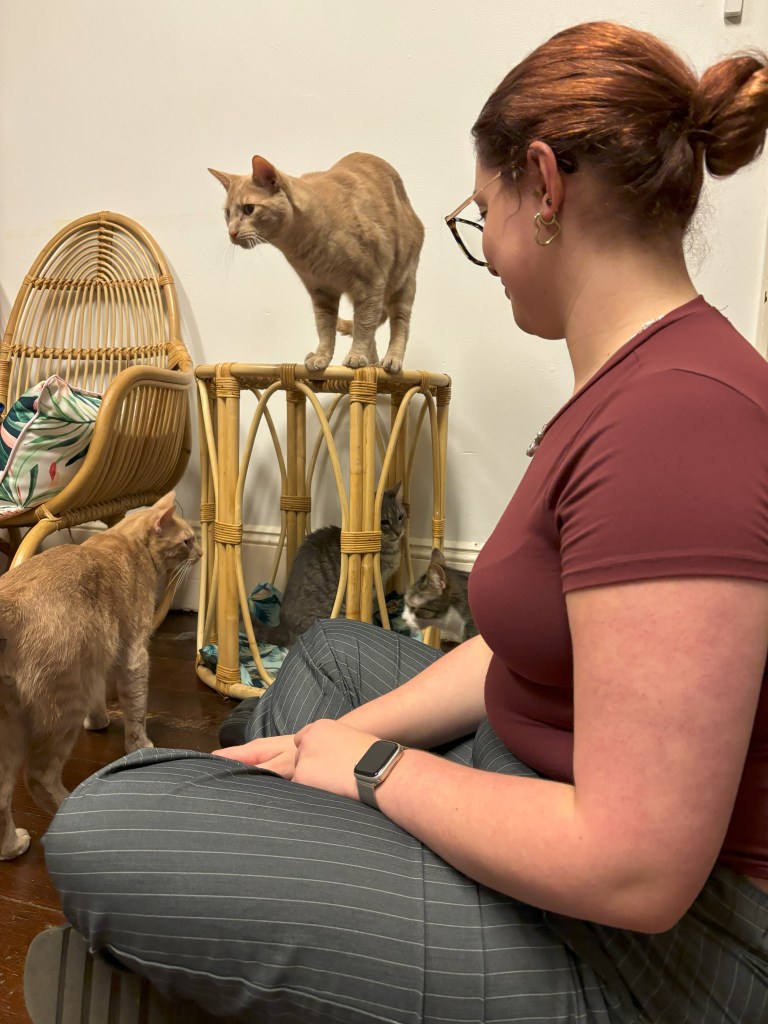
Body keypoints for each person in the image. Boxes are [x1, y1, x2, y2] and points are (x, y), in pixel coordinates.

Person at [25, 20, 768, 1024]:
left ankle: (205, 929)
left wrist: (372, 768)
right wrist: (334, 744)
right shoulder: (640, 381)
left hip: (658, 955)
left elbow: (637, 869)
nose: (486, 252)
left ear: (543, 186)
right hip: (536, 766)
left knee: (105, 821)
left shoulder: (681, 418)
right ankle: (257, 890)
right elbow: (519, 637)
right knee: (326, 659)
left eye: (481, 214)